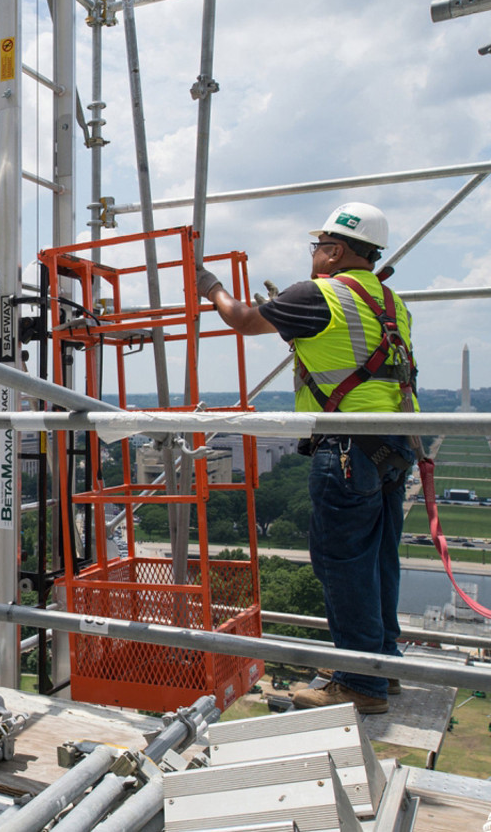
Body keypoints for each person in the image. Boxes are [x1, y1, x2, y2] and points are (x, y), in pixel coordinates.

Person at [199, 202, 418, 716]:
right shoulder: (390, 300)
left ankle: (361, 682)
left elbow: (240, 319)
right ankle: (384, 663)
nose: (313, 254)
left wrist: (209, 285)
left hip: (345, 450)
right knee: (379, 558)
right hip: (392, 445)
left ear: (336, 250)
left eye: (317, 246)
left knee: (342, 564)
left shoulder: (319, 294)